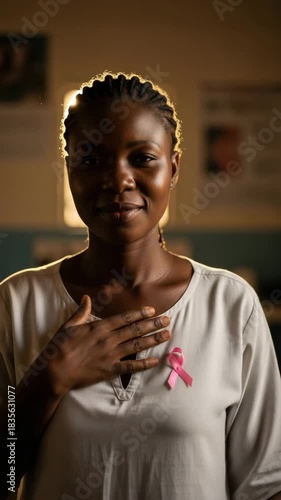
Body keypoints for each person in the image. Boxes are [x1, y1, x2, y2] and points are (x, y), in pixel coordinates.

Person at [0, 71, 281, 500]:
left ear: (174, 167)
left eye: (142, 157)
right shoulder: (15, 303)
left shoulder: (230, 304)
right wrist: (48, 381)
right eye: (91, 159)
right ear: (69, 170)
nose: (118, 180)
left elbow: (264, 486)